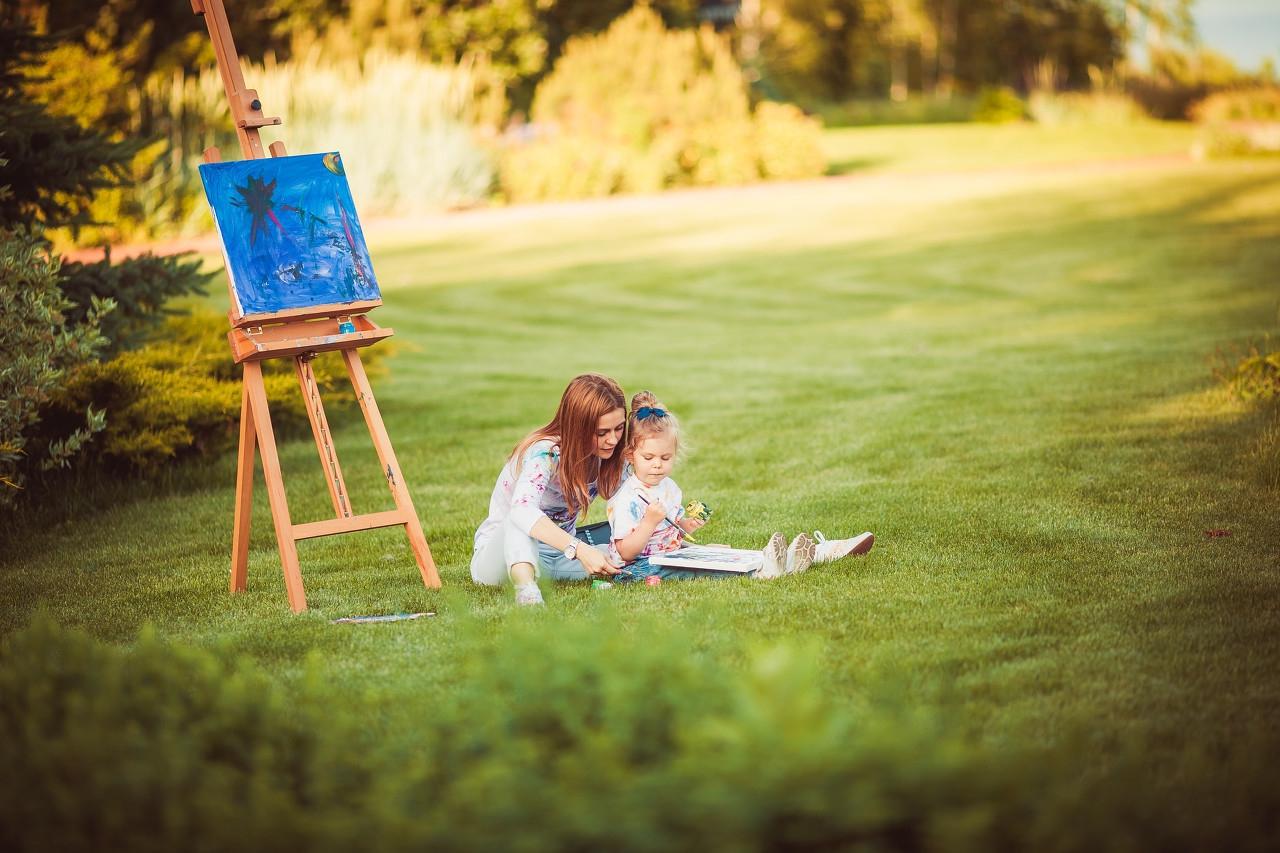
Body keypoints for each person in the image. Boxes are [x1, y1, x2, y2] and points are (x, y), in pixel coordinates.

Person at [607, 391, 874, 582]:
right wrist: (648, 523)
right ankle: (763, 569)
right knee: (696, 568)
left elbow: (673, 528)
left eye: (666, 458)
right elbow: (625, 552)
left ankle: (814, 553)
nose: (657, 465)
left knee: (713, 555)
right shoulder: (628, 498)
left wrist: (688, 524)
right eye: (649, 458)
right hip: (638, 567)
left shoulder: (669, 487)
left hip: (670, 553)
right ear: (630, 455)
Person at [471, 373, 628, 605]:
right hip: (503, 561)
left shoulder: (607, 456)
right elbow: (521, 511)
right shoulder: (545, 453)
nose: (613, 440)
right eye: (602, 433)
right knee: (520, 513)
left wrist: (683, 545)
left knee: (626, 554)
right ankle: (527, 592)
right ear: (578, 428)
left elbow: (635, 508)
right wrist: (581, 550)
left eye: (619, 428)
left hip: (558, 557)